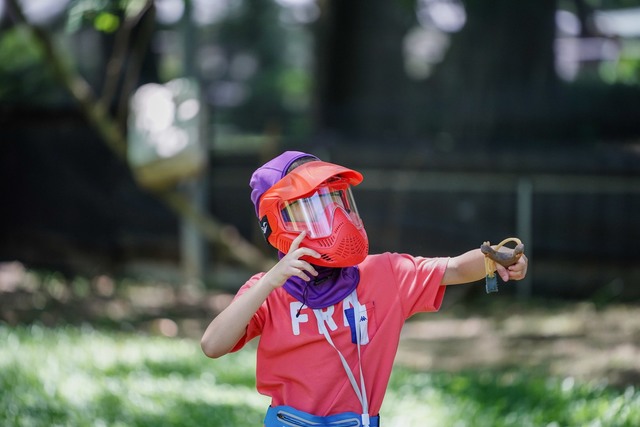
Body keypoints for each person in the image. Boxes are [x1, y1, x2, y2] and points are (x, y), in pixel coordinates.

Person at [201, 151, 528, 427]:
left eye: (335, 200)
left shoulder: (384, 273)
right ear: (276, 221)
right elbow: (213, 344)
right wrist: (271, 282)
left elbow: (453, 268)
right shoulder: (268, 291)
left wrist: (495, 259)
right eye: (311, 206)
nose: (334, 216)